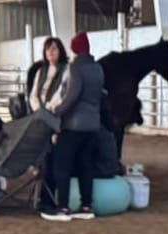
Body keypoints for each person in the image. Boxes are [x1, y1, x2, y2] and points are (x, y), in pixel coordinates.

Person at [42, 32, 106, 221]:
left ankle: (63, 208)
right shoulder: (98, 68)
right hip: (93, 125)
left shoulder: (75, 67)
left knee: (63, 167)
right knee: (87, 167)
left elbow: (72, 95)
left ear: (75, 48)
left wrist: (58, 111)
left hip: (74, 125)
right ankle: (86, 206)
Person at [24, 38, 70, 117]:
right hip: (39, 113)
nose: (50, 52)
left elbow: (61, 93)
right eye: (47, 49)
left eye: (54, 49)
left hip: (54, 112)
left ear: (60, 51)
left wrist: (49, 108)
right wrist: (38, 109)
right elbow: (33, 94)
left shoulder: (66, 70)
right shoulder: (40, 71)